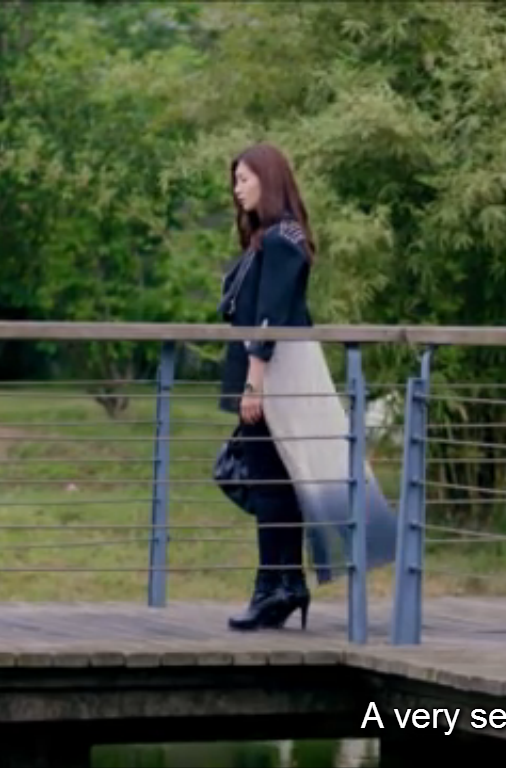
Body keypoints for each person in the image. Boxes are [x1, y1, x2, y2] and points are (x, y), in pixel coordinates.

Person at [217, 142, 316, 631]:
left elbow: (271, 314)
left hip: (270, 378)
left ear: (269, 179)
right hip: (268, 375)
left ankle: (275, 586)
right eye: (235, 181)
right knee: (273, 482)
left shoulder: (281, 238)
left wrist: (254, 384)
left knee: (271, 482)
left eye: (244, 179)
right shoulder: (274, 237)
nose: (237, 190)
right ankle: (283, 584)